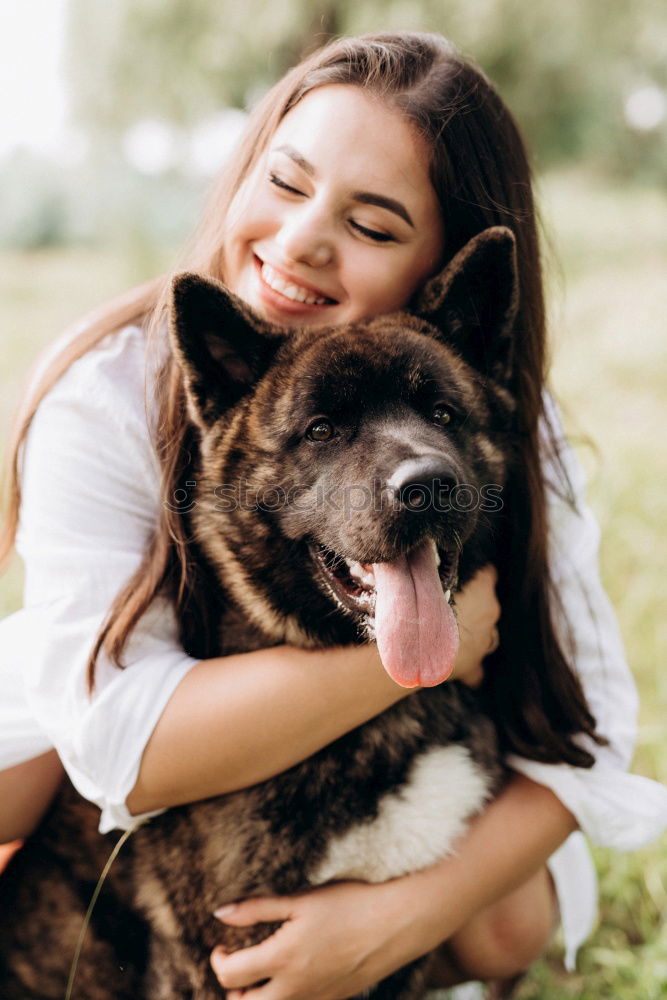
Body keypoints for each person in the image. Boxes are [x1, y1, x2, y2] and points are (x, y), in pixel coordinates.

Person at [1, 31, 666, 999]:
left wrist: (397, 919)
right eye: (287, 180)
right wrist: (444, 633)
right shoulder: (113, 390)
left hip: (311, 749)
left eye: (374, 224)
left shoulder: (486, 407)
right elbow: (113, 745)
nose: (305, 239)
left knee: (506, 916)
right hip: (94, 728)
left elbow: (598, 726)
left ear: (442, 274)